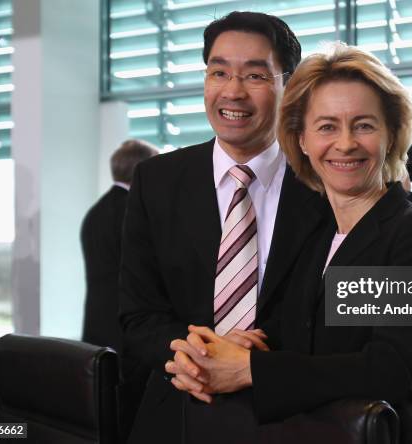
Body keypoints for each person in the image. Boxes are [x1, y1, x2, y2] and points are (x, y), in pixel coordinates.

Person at [167, 43, 412, 444]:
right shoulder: (317, 236)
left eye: (365, 125)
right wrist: (223, 350)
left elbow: (391, 369)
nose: (346, 143)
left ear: (392, 135)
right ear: (301, 140)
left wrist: (250, 369)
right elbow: (299, 342)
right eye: (327, 126)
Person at [118, 12, 326, 444]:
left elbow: (360, 316)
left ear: (290, 86)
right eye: (219, 72)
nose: (233, 91)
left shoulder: (326, 183)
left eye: (254, 75)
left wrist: (251, 362)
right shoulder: (156, 181)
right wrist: (197, 354)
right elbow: (138, 316)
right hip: (177, 414)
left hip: (296, 420)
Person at [81, 139, 158, 354]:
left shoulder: (96, 210)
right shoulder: (133, 211)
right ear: (142, 170)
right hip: (127, 330)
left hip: (97, 323)